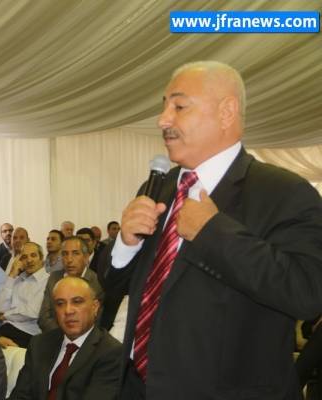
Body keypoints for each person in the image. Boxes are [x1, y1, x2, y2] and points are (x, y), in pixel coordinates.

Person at [101, 61, 322, 399]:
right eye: (164, 106)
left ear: (226, 112)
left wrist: (213, 233)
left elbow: (307, 294)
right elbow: (115, 287)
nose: (163, 120)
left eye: (179, 106)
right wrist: (126, 245)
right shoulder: (158, 188)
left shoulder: (285, 192)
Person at [10, 277, 123, 400]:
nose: (68, 311)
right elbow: (20, 395)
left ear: (95, 307)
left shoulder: (111, 352)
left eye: (77, 301)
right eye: (60, 304)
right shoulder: (39, 344)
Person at [39, 236, 103, 332]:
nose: (69, 259)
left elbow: (96, 321)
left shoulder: (97, 282)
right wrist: (63, 336)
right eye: (65, 254)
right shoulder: (54, 278)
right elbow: (44, 317)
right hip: (55, 335)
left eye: (75, 253)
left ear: (86, 257)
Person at [0, 242, 50, 348]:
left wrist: (6, 315)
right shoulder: (17, 280)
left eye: (33, 255)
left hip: (27, 335)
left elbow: (32, 312)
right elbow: (0, 307)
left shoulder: (47, 281)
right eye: (24, 257)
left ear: (41, 258)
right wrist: (12, 274)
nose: (29, 260)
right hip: (6, 330)